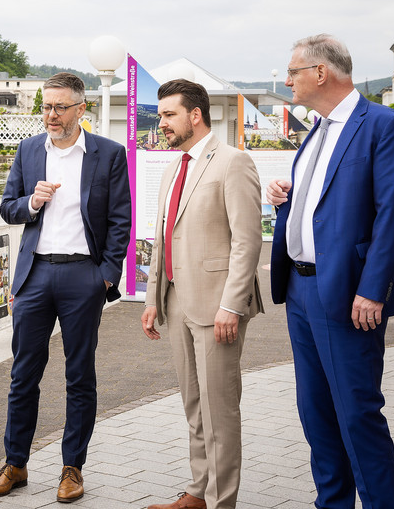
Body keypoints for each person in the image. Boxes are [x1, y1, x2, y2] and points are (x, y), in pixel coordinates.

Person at [266, 35, 394, 509]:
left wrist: (373, 291)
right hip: (300, 289)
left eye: (292, 71)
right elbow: (331, 199)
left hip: (350, 294)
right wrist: (289, 198)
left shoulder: (383, 124)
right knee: (316, 415)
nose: (286, 79)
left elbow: (392, 215)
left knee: (357, 414)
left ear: (320, 73)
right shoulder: (317, 129)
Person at [0, 72, 131, 504]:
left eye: (59, 107)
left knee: (79, 375)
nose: (50, 114)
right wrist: (31, 202)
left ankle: (72, 469)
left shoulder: (108, 154)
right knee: (22, 374)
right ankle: (16, 463)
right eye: (46, 106)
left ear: (81, 109)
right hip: (34, 276)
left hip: (83, 277)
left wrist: (105, 275)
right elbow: (8, 207)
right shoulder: (29, 150)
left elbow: (120, 220)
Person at [140, 79, 264, 509]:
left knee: (219, 411)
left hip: (217, 305)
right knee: (194, 404)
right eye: (160, 115)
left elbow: (248, 241)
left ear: (195, 115)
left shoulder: (234, 162)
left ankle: (221, 502)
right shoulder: (174, 166)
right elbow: (162, 234)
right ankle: (197, 492)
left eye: (169, 115)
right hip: (176, 300)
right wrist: (153, 298)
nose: (163, 123)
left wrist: (232, 303)